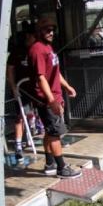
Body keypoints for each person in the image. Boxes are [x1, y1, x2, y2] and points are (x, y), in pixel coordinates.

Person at [28, 16, 81, 178]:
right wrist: (51, 101)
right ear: (39, 31)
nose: (51, 32)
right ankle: (62, 168)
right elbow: (41, 77)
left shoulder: (48, 48)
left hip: (55, 97)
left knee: (50, 132)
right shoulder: (37, 49)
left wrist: (67, 86)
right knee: (55, 134)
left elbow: (55, 73)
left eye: (53, 30)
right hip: (48, 101)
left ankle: (50, 163)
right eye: (47, 30)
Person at [6, 22, 36, 163]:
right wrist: (13, 87)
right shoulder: (17, 52)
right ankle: (18, 145)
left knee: (32, 113)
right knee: (20, 116)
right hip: (21, 88)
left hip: (35, 88)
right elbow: (10, 70)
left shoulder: (36, 50)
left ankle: (32, 133)